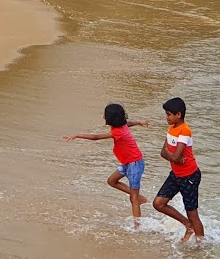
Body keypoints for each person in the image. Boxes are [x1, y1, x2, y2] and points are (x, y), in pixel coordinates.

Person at [64, 103, 151, 220]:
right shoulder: (121, 126)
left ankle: (137, 225)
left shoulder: (117, 132)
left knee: (133, 199)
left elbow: (96, 137)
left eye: (105, 115)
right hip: (128, 163)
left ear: (109, 119)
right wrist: (139, 122)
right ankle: (139, 197)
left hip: (135, 164)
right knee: (112, 181)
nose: (103, 117)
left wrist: (77, 135)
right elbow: (129, 123)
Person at [151, 97, 204, 243]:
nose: (167, 118)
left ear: (178, 115)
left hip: (189, 176)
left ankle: (202, 244)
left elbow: (174, 156)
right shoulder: (171, 129)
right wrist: (172, 156)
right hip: (176, 174)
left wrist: (172, 156)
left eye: (169, 114)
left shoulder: (185, 131)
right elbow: (164, 153)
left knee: (192, 213)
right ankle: (187, 225)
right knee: (158, 203)